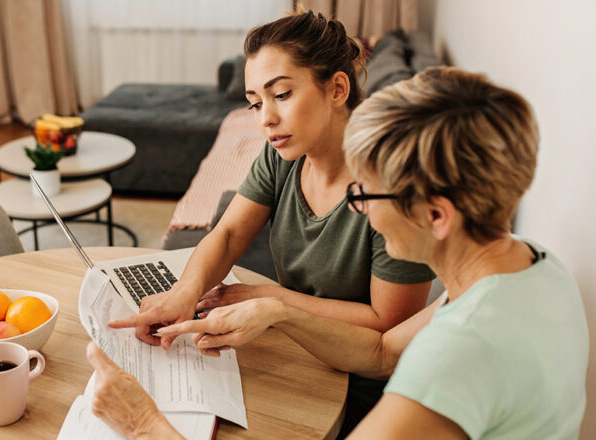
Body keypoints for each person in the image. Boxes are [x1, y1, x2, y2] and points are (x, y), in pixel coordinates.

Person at [88, 66, 589, 439]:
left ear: (437, 216)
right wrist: (276, 310)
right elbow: (384, 352)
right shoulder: (532, 262)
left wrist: (143, 423)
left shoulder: (458, 357)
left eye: (368, 193)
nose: (361, 210)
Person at [110, 10, 435, 430]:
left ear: (337, 88)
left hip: (364, 389)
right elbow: (227, 235)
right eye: (255, 102)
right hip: (292, 344)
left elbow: (387, 331)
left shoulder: (392, 190)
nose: (264, 118)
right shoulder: (283, 155)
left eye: (281, 95)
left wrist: (273, 300)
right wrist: (186, 291)